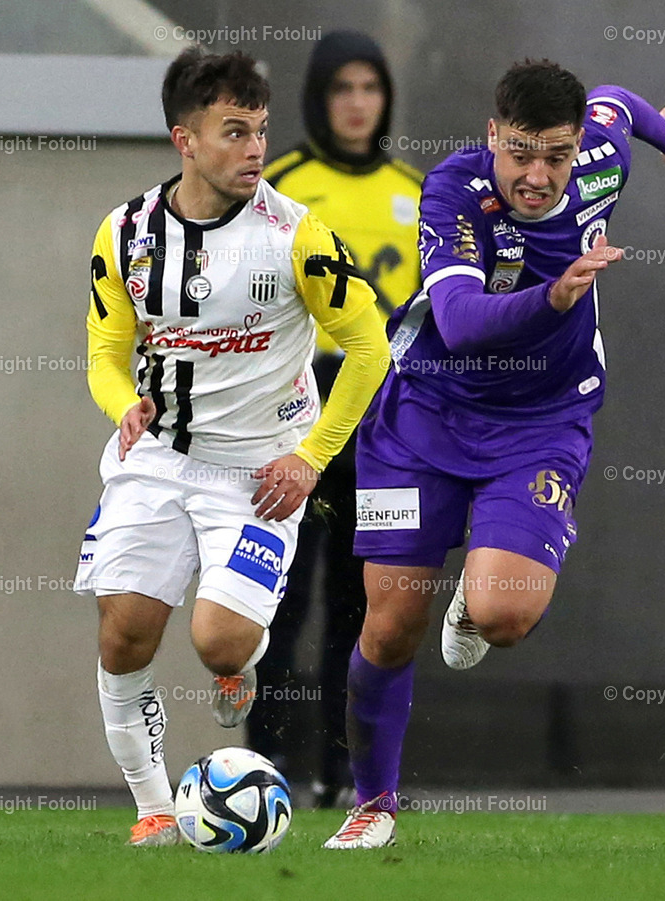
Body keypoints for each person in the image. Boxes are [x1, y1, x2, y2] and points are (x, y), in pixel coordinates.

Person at [323, 60, 665, 849]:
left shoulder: (598, 158)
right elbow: (461, 320)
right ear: (493, 133)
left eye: (556, 156)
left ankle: (480, 586)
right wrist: (556, 296)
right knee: (391, 625)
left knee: (502, 615)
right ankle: (373, 804)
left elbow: (617, 103)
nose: (538, 175)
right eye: (522, 151)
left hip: (541, 421)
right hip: (425, 416)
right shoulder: (456, 191)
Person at [72, 46, 390, 847]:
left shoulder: (295, 234)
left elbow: (370, 348)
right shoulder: (127, 234)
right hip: (161, 456)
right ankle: (152, 805)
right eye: (235, 132)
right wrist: (124, 404)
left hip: (263, 471)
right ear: (186, 139)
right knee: (124, 630)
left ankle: (231, 666)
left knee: (219, 636)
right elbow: (107, 353)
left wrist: (310, 456)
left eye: (261, 130)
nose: (255, 149)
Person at [245, 30, 423, 809]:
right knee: (278, 605)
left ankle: (351, 777)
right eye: (342, 88)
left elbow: (431, 316)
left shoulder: (418, 191)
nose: (357, 103)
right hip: (292, 417)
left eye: (369, 88)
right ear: (319, 97)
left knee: (367, 611)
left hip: (382, 426)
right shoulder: (277, 184)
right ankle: (266, 771)